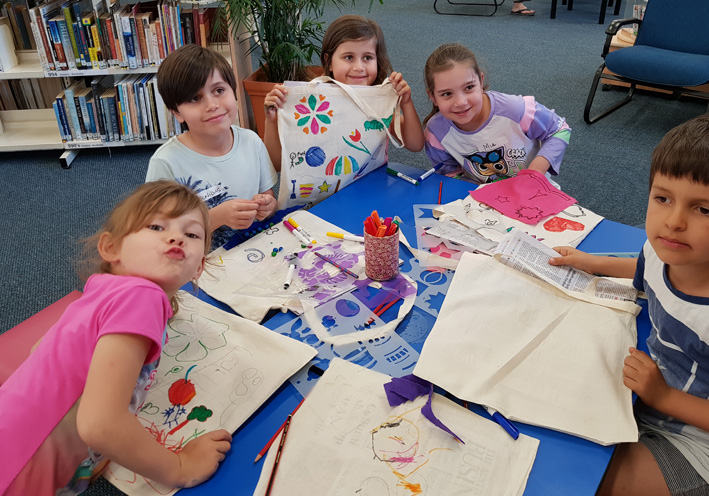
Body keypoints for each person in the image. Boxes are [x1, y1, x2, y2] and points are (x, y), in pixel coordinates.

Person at [549, 114, 709, 496]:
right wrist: (589, 262)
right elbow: (644, 265)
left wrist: (664, 397)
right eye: (663, 198)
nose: (674, 222)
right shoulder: (664, 252)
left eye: (704, 210)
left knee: (587, 481)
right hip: (654, 399)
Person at [0, 181, 233, 495]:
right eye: (155, 226)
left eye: (192, 234)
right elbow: (100, 425)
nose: (176, 237)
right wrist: (181, 467)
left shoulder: (99, 292)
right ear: (112, 248)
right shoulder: (143, 297)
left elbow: (39, 349)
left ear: (199, 267)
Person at [146, 44, 278, 250]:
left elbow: (268, 195)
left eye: (219, 90)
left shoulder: (251, 142)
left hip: (253, 252)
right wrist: (216, 217)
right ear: (177, 113)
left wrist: (268, 205)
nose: (212, 105)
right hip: (198, 265)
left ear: (233, 91)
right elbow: (158, 231)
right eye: (195, 98)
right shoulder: (166, 162)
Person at [263, 14, 425, 172]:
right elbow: (276, 164)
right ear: (329, 61)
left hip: (370, 187)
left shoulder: (378, 100)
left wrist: (406, 103)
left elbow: (416, 145)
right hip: (323, 194)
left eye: (367, 58)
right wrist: (271, 120)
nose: (359, 67)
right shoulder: (310, 105)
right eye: (348, 57)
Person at [423, 43, 570, 185]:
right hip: (481, 201)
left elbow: (559, 130)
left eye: (468, 87)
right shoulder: (436, 132)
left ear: (481, 82)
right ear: (432, 96)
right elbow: (449, 174)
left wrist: (536, 170)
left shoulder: (516, 110)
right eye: (447, 94)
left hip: (533, 193)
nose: (461, 102)